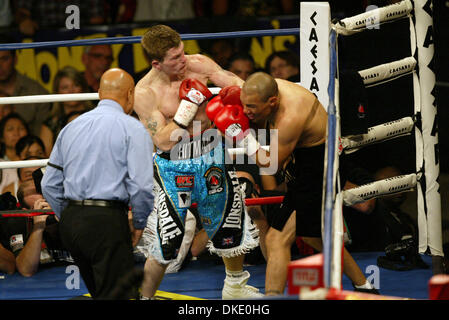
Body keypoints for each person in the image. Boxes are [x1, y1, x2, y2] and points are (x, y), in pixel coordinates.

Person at [208, 72, 378, 295]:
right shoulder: (268, 90)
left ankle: (272, 298)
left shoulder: (290, 116)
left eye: (251, 107)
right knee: (312, 236)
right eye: (243, 105)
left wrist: (242, 137)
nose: (246, 111)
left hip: (319, 167)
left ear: (272, 101)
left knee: (277, 239)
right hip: (308, 158)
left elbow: (271, 165)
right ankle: (363, 285)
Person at [134, 24, 261, 300]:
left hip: (211, 152)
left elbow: (236, 83)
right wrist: (187, 108)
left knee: (228, 223)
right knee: (167, 238)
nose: (183, 60)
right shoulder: (145, 92)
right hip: (172, 165)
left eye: (182, 52)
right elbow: (164, 141)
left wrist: (240, 101)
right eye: (175, 58)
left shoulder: (199, 63)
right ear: (156, 63)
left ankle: (235, 286)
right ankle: (145, 298)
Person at [41, 68, 155, 300]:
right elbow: (142, 187)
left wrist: (72, 216)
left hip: (72, 225)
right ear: (130, 94)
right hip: (106, 222)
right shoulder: (133, 128)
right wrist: (140, 222)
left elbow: (49, 184)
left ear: (100, 92)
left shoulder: (70, 127)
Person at [0, 36, 52, 136]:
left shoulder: (37, 93)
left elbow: (42, 139)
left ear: (15, 60)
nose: (0, 65)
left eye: (4, 59)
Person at [39, 66, 92, 156]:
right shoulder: (50, 124)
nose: (71, 91)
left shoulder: (97, 115)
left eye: (76, 85)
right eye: (65, 87)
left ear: (83, 88)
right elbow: (48, 160)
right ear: (57, 92)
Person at [14, 0, 105, 36]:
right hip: (42, 39)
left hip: (79, 40)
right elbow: (22, 12)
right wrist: (24, 20)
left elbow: (97, 20)